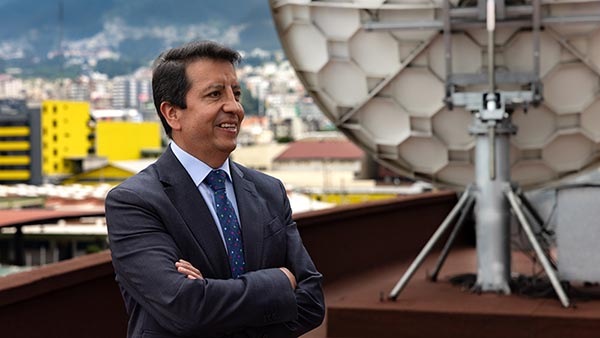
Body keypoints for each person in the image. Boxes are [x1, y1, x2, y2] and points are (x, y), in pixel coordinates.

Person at [105, 40, 325, 338]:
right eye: (215, 94)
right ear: (172, 114)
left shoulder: (268, 191)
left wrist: (210, 296)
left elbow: (312, 302)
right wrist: (279, 282)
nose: (234, 107)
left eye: (236, 94)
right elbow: (184, 308)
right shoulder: (135, 202)